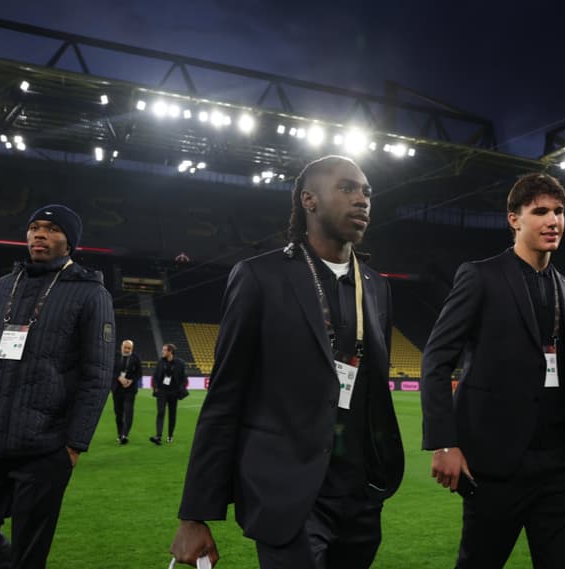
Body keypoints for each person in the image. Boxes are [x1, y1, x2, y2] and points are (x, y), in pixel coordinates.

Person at [169, 155, 404, 569]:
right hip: (288, 493)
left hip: (360, 496)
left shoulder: (376, 287)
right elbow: (225, 396)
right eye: (347, 188)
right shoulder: (261, 276)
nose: (362, 199)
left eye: (367, 191)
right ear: (308, 200)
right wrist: (194, 514)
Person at [420, 173, 565, 569]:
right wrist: (443, 443)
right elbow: (435, 360)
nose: (553, 221)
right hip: (496, 466)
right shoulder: (480, 276)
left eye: (559, 211)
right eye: (540, 212)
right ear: (513, 219)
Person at [0, 204, 114, 568]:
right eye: (33, 227)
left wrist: (74, 445)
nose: (39, 234)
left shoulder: (90, 293)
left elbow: (97, 374)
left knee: (30, 552)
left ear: (70, 241)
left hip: (46, 446)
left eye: (51, 229)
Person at [150, 343, 187, 445]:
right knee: (160, 412)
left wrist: (181, 389)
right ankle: (158, 436)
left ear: (170, 351)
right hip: (162, 391)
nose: (163, 352)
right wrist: (156, 387)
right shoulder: (160, 362)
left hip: (174, 392)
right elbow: (155, 376)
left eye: (164, 350)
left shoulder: (180, 363)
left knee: (172, 415)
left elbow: (184, 379)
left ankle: (170, 435)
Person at [112, 339, 142, 445]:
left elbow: (139, 373)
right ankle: (120, 434)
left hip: (130, 389)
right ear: (121, 346)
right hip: (117, 389)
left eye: (129, 348)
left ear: (132, 349)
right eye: (125, 347)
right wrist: (119, 378)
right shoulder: (114, 356)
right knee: (118, 413)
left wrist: (131, 380)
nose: (127, 350)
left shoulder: (136, 358)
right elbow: (110, 370)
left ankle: (125, 435)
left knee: (129, 411)